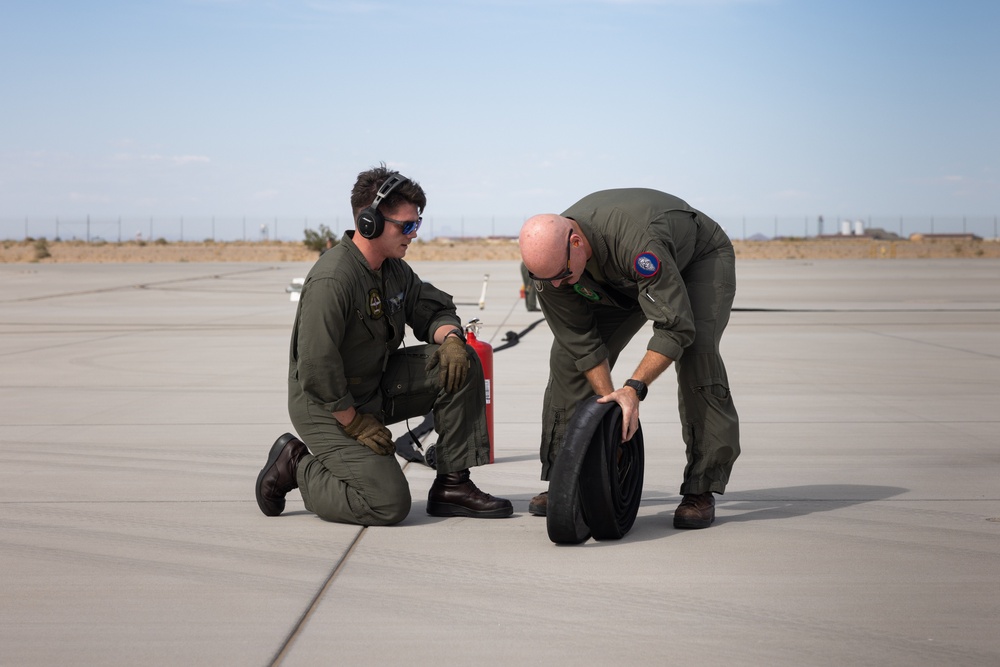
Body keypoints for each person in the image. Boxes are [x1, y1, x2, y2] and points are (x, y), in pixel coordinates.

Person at [255, 165, 513, 525]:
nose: (414, 234)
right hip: (328, 405)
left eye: (417, 224)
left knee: (461, 360)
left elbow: (431, 309)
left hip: (374, 385)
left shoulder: (393, 269)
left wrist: (451, 338)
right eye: (406, 226)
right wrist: (354, 422)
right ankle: (296, 465)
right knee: (388, 503)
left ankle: (453, 485)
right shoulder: (333, 279)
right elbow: (316, 367)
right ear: (369, 223)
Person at [518, 188, 740, 529]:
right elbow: (580, 342)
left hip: (695, 260)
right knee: (567, 360)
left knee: (698, 357)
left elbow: (675, 326)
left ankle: (702, 486)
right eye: (548, 280)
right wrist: (611, 405)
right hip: (613, 280)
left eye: (562, 275)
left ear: (575, 242)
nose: (558, 286)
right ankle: (566, 477)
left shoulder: (639, 244)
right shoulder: (548, 269)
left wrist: (633, 389)